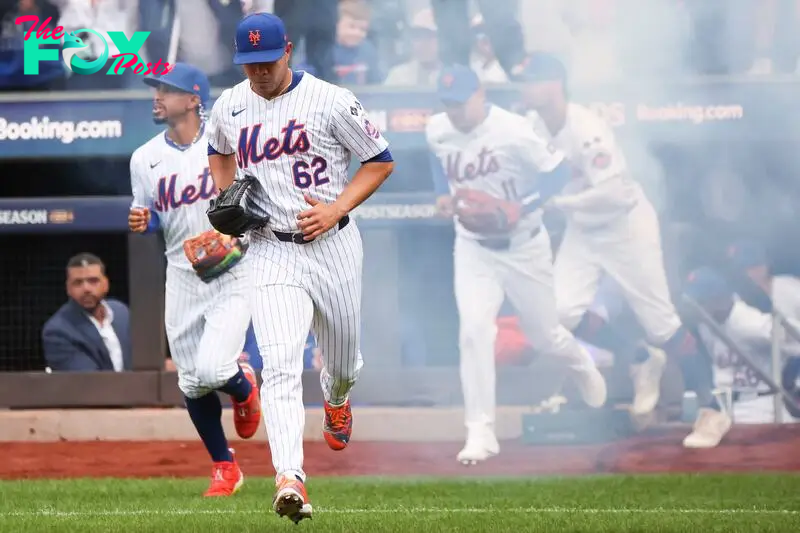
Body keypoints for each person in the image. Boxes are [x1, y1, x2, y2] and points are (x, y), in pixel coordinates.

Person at [206, 13, 394, 523]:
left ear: (287, 50)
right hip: (271, 249)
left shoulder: (332, 100)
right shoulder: (231, 103)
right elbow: (218, 150)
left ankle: (337, 397)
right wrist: (227, 198)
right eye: (250, 64)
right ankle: (290, 477)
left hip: (331, 245)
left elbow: (379, 159)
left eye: (267, 61)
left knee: (343, 359)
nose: (259, 72)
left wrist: (337, 207)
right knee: (281, 365)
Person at [519, 52, 728, 448]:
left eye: (533, 79)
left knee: (661, 324)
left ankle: (713, 408)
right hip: (584, 231)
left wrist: (561, 205)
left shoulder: (586, 128)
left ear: (555, 84)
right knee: (561, 312)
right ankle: (638, 359)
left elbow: (613, 193)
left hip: (625, 227)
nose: (525, 86)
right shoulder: (533, 126)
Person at [425, 65, 607, 466]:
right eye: (449, 103)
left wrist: (519, 206)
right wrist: (442, 194)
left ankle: (579, 361)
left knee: (545, 335)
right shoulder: (437, 127)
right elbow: (437, 156)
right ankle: (481, 431)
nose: (454, 111)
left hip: (525, 246)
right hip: (474, 248)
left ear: (481, 94)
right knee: (474, 331)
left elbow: (560, 172)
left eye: (461, 102)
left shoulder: (515, 130)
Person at [128, 63, 261, 497]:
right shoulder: (144, 158)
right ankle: (225, 466)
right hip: (182, 273)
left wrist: (237, 229)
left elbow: (257, 194)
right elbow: (150, 218)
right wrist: (142, 221)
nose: (157, 96)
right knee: (191, 381)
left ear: (193, 99)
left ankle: (242, 387)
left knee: (213, 368)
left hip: (234, 266)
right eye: (157, 89)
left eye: (167, 90)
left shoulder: (223, 144)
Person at [42, 253, 131, 372]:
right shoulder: (57, 331)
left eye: (93, 281)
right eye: (78, 282)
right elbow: (88, 382)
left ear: (106, 284)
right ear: (68, 288)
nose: (86, 289)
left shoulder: (121, 312)